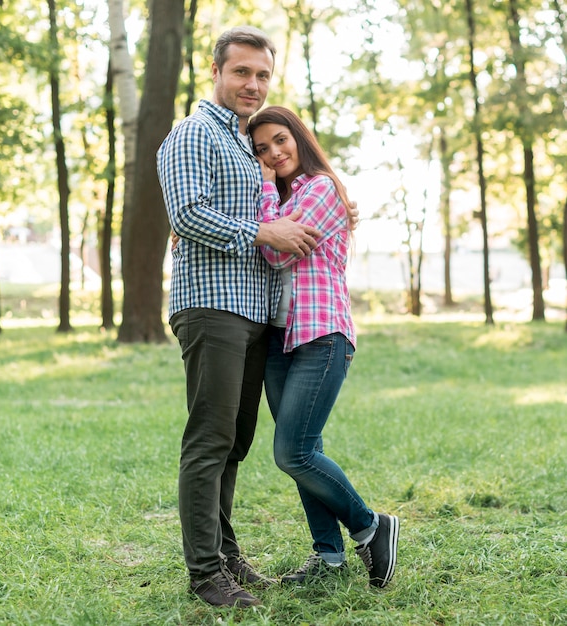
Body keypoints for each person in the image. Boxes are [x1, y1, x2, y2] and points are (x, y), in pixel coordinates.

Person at [157, 27, 323, 608]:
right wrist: (260, 231)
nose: (252, 84)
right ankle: (206, 575)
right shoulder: (192, 134)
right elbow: (188, 212)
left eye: (262, 75)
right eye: (242, 72)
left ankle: (226, 558)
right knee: (209, 440)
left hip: (255, 312)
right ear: (216, 71)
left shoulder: (244, 142)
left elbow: (282, 205)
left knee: (234, 444)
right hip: (212, 307)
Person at [248, 105, 400, 589]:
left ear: (299, 137)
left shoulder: (319, 189)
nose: (274, 153)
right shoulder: (286, 196)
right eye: (262, 150)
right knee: (305, 449)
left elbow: (275, 248)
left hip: (321, 334)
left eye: (279, 140)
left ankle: (370, 526)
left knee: (292, 452)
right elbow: (267, 239)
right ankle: (328, 556)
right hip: (279, 337)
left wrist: (266, 195)